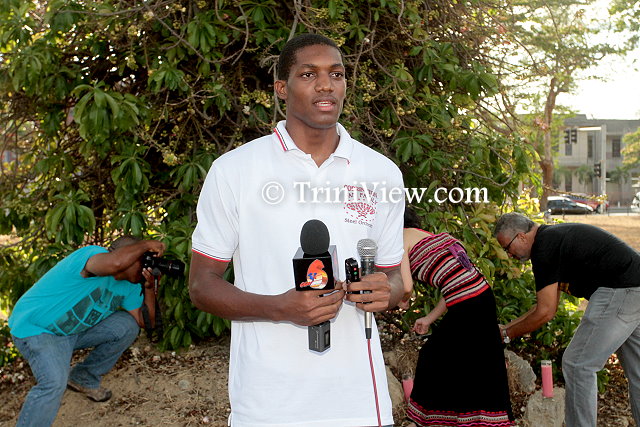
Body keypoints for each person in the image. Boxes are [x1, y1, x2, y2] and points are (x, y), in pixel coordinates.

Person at [189, 33, 405, 426]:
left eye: (336, 74)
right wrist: (279, 308)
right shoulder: (235, 170)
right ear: (281, 88)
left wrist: (383, 291)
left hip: (359, 403)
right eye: (308, 74)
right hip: (268, 405)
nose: (326, 85)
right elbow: (201, 286)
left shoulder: (381, 172)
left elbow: (395, 280)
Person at [494, 212, 640, 427]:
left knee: (578, 364)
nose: (509, 255)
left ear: (521, 237)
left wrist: (506, 334)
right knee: (637, 371)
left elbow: (545, 312)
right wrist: (506, 328)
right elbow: (544, 306)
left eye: (507, 248)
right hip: (634, 288)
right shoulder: (552, 239)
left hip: (620, 289)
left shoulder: (544, 247)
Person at [9, 235, 165, 427]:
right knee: (54, 382)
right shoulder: (92, 255)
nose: (146, 268)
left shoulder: (130, 285)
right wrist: (147, 244)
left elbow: (145, 322)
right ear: (128, 257)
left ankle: (83, 378)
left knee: (127, 326)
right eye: (143, 262)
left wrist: (149, 287)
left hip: (74, 331)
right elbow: (115, 262)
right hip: (38, 330)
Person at [401, 207, 513, 426]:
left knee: (433, 358)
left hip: (469, 304)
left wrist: (401, 300)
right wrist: (429, 319)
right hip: (482, 297)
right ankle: (479, 420)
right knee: (476, 363)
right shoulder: (432, 237)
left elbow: (406, 286)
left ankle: (443, 419)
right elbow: (455, 286)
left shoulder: (401, 241)